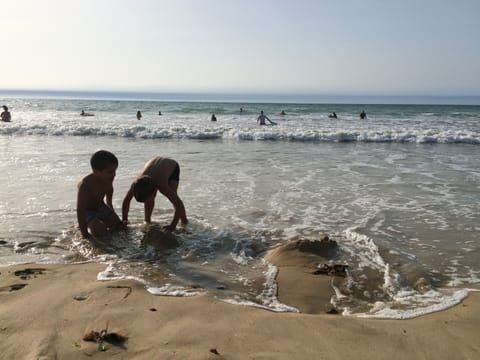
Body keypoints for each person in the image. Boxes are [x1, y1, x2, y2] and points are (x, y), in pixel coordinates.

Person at [122, 157, 188, 232]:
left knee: (174, 196)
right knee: (148, 199)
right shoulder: (135, 184)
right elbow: (126, 200)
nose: (145, 203)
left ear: (154, 192)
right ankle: (147, 220)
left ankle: (184, 220)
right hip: (156, 166)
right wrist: (125, 219)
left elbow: (178, 204)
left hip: (172, 167)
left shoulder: (162, 186)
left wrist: (173, 225)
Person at [76, 150, 121, 239]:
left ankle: (98, 223)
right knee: (100, 232)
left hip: (101, 207)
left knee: (120, 227)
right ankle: (89, 225)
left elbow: (109, 202)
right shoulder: (85, 185)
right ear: (96, 171)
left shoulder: (108, 180)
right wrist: (84, 234)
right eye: (110, 172)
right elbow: (80, 211)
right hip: (88, 212)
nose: (114, 174)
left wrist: (114, 217)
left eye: (115, 171)